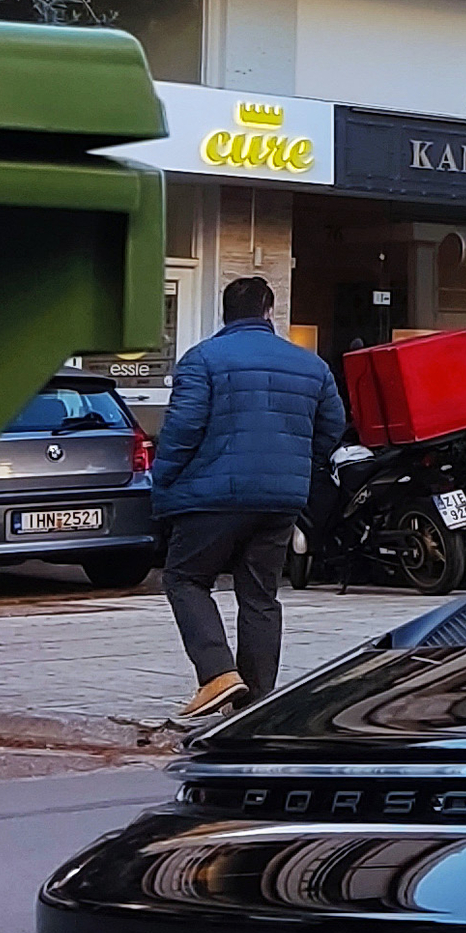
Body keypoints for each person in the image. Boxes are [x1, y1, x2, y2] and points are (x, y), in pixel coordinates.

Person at [150, 274, 347, 727]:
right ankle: (255, 701)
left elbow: (181, 432)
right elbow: (332, 427)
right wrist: (297, 464)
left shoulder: (202, 360)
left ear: (225, 314)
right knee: (260, 595)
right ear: (267, 312)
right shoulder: (311, 366)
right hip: (280, 499)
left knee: (184, 578)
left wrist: (163, 482)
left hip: (212, 497)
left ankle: (218, 673)